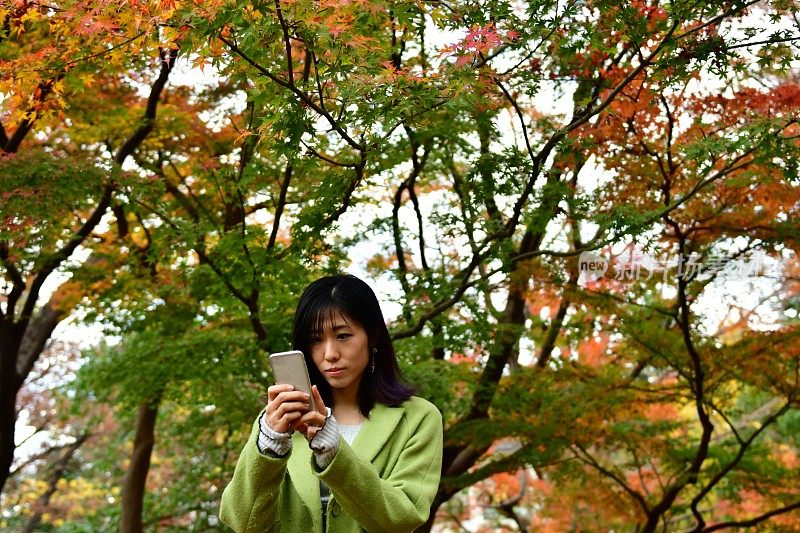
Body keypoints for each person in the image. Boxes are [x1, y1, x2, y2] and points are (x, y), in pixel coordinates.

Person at [219, 274, 443, 532]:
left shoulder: (418, 418)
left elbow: (402, 518)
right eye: (316, 339)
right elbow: (242, 521)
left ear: (374, 336)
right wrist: (269, 445)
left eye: (343, 335)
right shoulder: (279, 421)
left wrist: (335, 455)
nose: (329, 354)